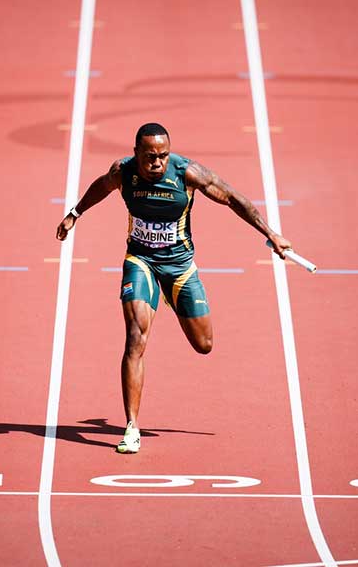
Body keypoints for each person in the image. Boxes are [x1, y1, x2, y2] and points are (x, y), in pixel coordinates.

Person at [56, 123, 291, 453]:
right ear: (136, 152)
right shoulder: (123, 172)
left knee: (204, 344)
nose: (157, 162)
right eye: (150, 156)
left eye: (163, 155)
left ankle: (169, 297)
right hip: (141, 262)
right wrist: (74, 214)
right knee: (136, 336)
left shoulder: (187, 173)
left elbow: (233, 198)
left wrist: (271, 233)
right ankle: (132, 427)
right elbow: (101, 186)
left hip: (179, 268)